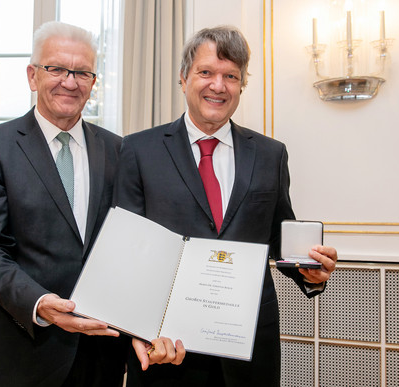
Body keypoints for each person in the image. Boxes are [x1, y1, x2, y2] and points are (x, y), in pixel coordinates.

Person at [114, 25, 338, 386]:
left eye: (230, 76)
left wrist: (310, 271)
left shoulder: (271, 154)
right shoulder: (138, 150)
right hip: (168, 348)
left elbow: (281, 241)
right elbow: (127, 253)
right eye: (206, 72)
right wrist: (137, 329)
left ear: (241, 85)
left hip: (249, 348)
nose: (218, 86)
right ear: (184, 77)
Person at [0, 21, 131, 387]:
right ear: (32, 75)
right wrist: (40, 303)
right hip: (24, 350)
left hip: (100, 354)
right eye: (56, 68)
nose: (69, 82)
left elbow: (129, 248)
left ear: (93, 81)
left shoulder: (119, 150)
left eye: (82, 72)